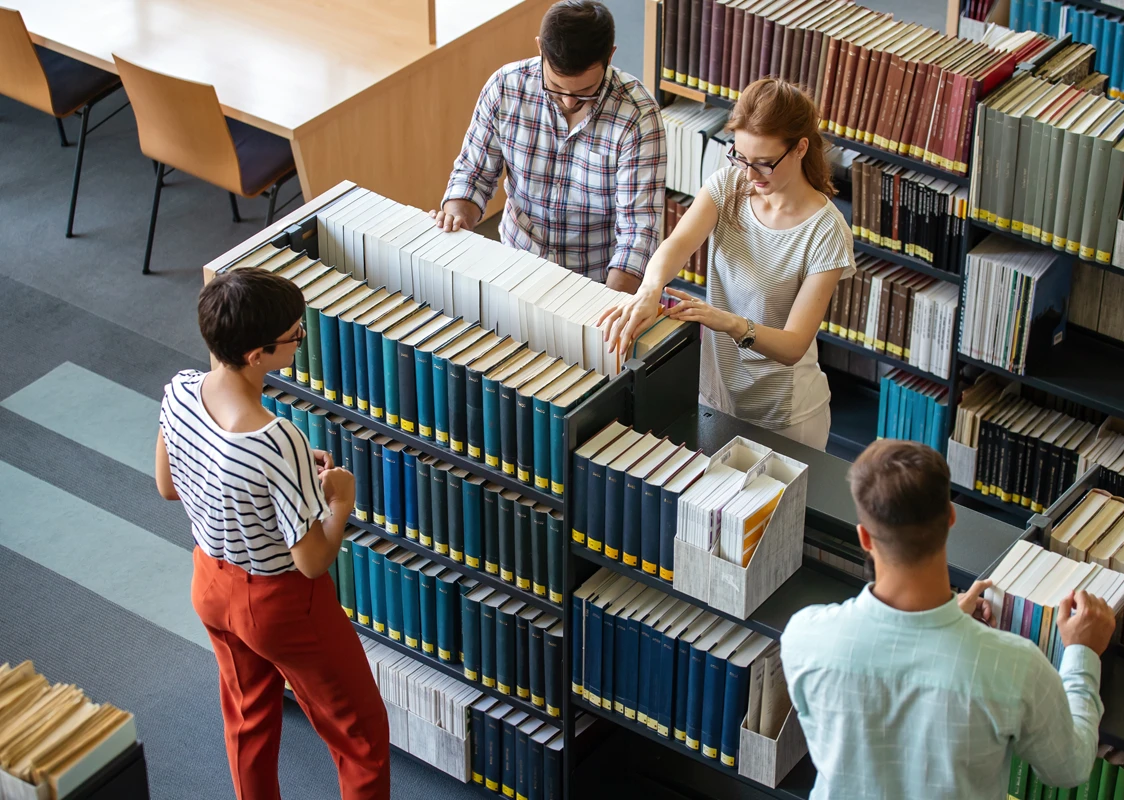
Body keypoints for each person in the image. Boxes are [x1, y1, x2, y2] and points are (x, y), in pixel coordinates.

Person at [154, 270, 389, 800]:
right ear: (258, 353)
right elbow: (311, 560)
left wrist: (295, 476)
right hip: (281, 605)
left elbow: (169, 486)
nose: (300, 341)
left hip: (211, 584)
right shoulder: (275, 439)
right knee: (361, 737)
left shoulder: (180, 391)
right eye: (295, 335)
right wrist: (341, 501)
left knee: (247, 720)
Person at [780, 439, 1116, 800]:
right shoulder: (1016, 667)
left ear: (864, 537)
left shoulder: (805, 636)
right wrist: (1082, 653)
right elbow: (1070, 768)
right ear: (951, 517)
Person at [598, 78, 853, 449]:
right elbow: (676, 245)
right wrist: (649, 290)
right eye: (741, 157)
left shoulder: (827, 232)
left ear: (800, 149)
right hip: (715, 394)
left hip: (784, 415)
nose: (749, 175)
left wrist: (726, 322)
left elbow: (794, 345)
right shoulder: (729, 185)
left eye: (764, 164)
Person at [431, 0, 665, 293]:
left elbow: (638, 234)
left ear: (610, 55)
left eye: (585, 92)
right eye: (556, 86)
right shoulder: (505, 87)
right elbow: (473, 175)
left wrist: (608, 307)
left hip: (594, 281)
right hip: (515, 264)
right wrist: (457, 216)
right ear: (541, 48)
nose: (568, 101)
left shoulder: (638, 116)